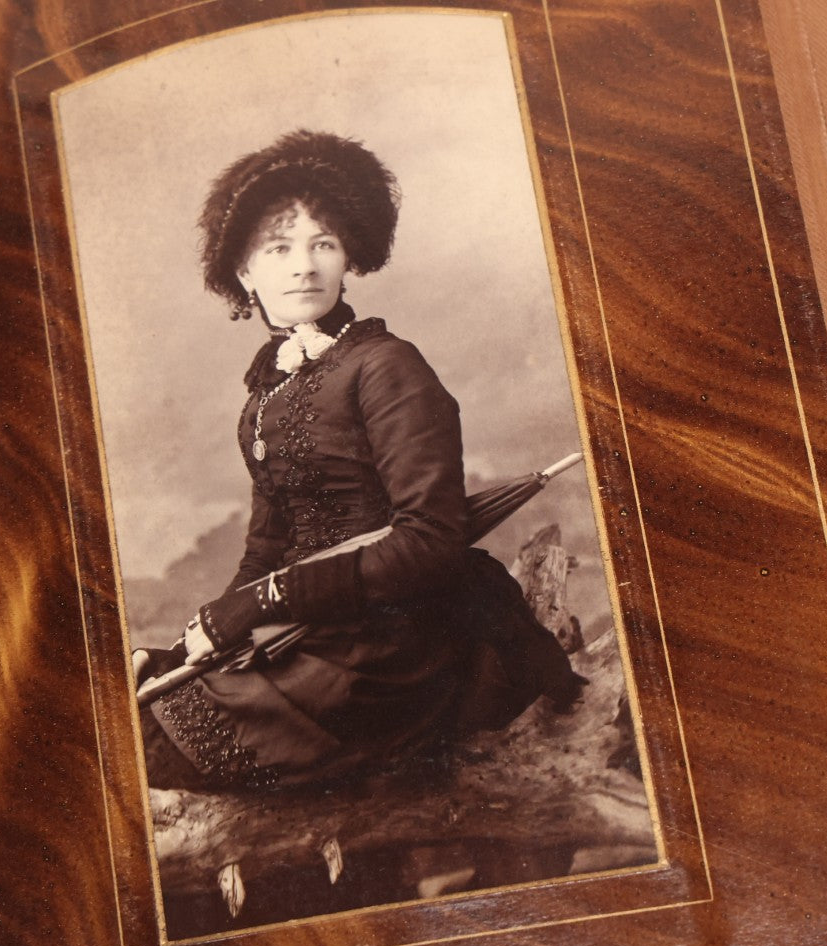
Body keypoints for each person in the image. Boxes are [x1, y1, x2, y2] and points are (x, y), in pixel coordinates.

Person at [134, 130, 578, 792]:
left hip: (397, 647)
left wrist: (258, 603)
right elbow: (268, 543)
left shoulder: (386, 365)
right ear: (243, 271)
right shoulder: (266, 391)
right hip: (311, 634)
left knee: (141, 747)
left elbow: (429, 541)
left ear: (349, 259)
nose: (303, 266)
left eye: (324, 244)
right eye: (277, 248)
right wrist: (214, 629)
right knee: (136, 691)